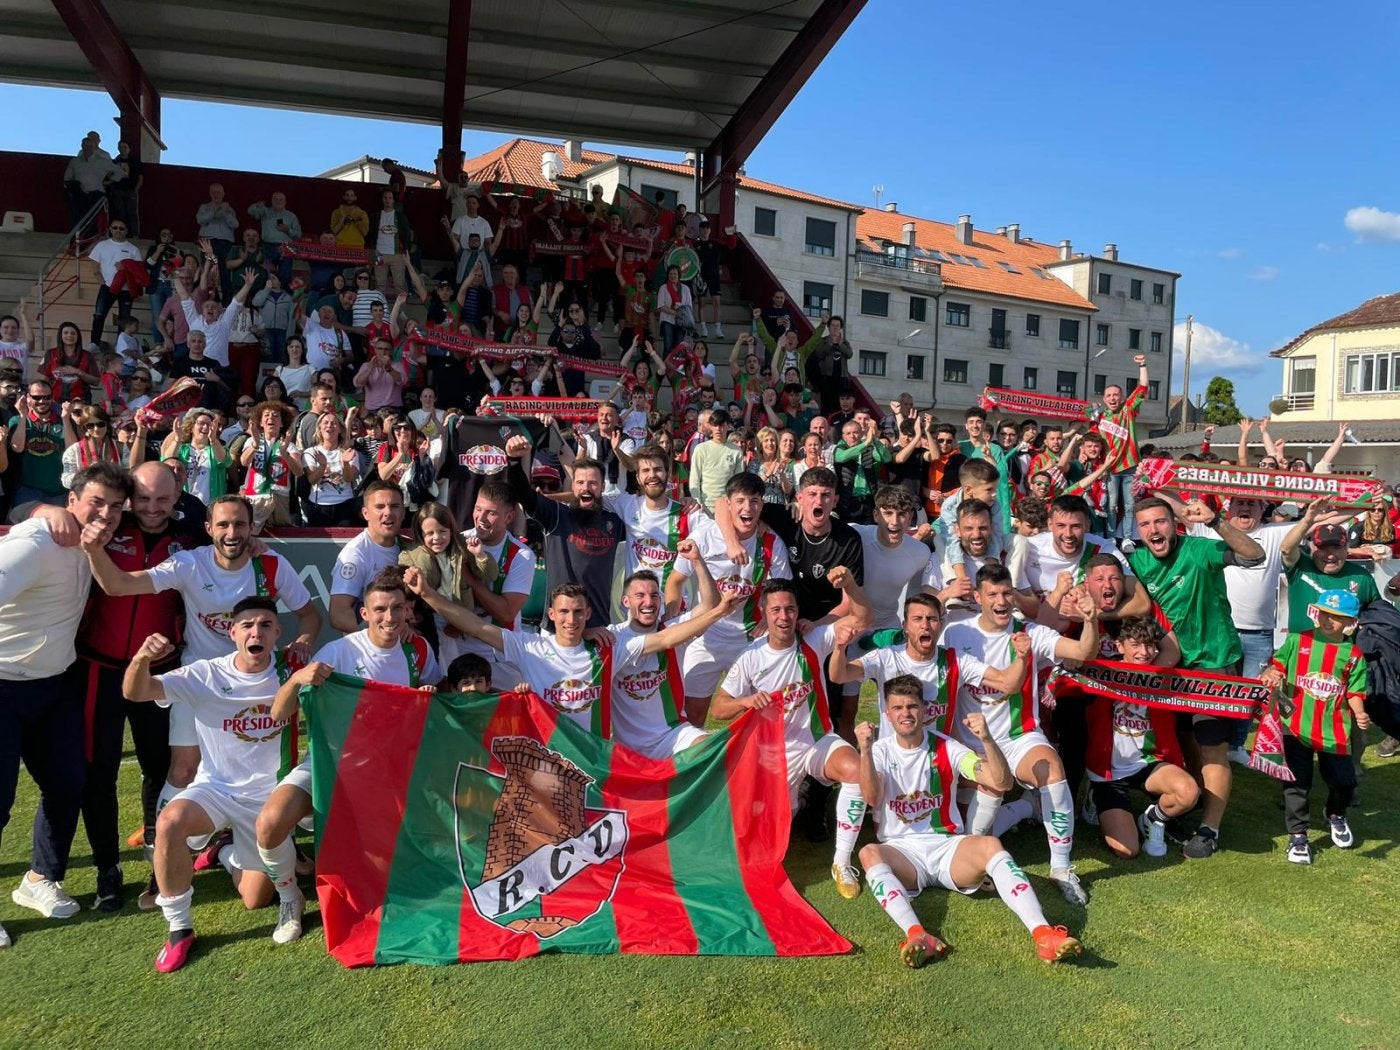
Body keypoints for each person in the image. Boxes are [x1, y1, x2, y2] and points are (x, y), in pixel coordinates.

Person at [82, 493, 320, 847]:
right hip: (202, 680)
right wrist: (91, 549)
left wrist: (302, 641)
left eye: (240, 524)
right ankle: (158, 856)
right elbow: (120, 586)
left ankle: (249, 842)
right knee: (183, 768)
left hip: (258, 682)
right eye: (223, 524)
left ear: (252, 527)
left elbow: (311, 615)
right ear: (208, 529)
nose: (232, 532)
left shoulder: (270, 565)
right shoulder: (190, 564)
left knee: (268, 772)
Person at [255, 569, 442, 945]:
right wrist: (296, 680)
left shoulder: (417, 649)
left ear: (408, 611)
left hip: (386, 772)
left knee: (387, 879)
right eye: (380, 609)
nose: (389, 618)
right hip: (328, 765)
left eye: (396, 609)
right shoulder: (339, 652)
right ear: (364, 614)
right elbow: (278, 714)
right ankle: (291, 898)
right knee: (270, 824)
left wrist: (430, 694)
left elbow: (436, 692)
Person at [856, 680, 1081, 967]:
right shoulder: (879, 751)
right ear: (887, 714)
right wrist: (864, 750)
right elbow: (872, 797)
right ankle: (917, 935)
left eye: (912, 706)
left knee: (990, 845)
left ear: (925, 710)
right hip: (903, 852)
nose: (906, 714)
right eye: (897, 708)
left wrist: (987, 738)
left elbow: (1001, 781)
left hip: (947, 848)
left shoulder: (946, 747)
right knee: (868, 853)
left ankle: (1044, 934)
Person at [121, 598, 291, 972]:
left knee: (255, 900)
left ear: (277, 633)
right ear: (232, 633)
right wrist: (141, 659)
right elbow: (136, 692)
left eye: (265, 625)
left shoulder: (290, 671)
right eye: (247, 625)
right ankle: (179, 929)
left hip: (267, 800)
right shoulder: (205, 674)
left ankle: (223, 852)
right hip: (214, 788)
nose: (255, 632)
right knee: (170, 822)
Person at [0, 463, 129, 947]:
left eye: (116, 506)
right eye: (97, 501)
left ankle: (38, 880)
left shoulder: (91, 541)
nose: (108, 514)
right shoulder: (35, 541)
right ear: (71, 498)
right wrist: (38, 511)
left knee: (67, 783)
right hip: (3, 683)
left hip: (54, 684)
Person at [940, 563, 1102, 904]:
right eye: (993, 594)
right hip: (968, 746)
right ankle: (1024, 810)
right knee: (968, 833)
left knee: (1052, 771)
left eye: (1006, 593)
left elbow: (1083, 653)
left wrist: (1090, 621)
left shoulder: (1032, 633)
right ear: (977, 597)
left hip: (1019, 740)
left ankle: (1060, 868)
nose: (1001, 601)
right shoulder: (955, 633)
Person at [407, 575, 733, 736]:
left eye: (578, 612)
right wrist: (427, 594)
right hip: (548, 755)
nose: (571, 619)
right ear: (551, 613)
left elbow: (664, 639)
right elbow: (476, 627)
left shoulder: (607, 650)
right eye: (563, 612)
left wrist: (717, 612)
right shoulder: (531, 647)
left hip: (595, 758)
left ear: (588, 613)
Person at [1128, 496, 1265, 859]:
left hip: (1213, 663)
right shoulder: (1136, 559)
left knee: (1211, 745)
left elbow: (1255, 556)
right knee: (1182, 740)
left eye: (1160, 522)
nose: (1153, 530)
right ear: (1137, 530)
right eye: (1145, 524)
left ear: (1174, 524)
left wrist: (1217, 520)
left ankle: (1210, 829)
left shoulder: (1200, 549)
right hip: (1169, 666)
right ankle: (1191, 803)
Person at [711, 575, 868, 878]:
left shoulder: (813, 639)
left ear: (797, 611)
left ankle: (842, 862)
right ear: (764, 613)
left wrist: (849, 584)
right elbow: (718, 708)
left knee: (856, 771)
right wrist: (744, 702)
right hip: (772, 756)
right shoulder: (751, 657)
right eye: (776, 610)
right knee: (758, 843)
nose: (784, 617)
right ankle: (797, 802)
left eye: (790, 609)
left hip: (816, 741)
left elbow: (863, 616)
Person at [667, 471, 792, 726]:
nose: (748, 508)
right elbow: (675, 580)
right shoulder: (704, 535)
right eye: (741, 501)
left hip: (748, 638)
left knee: (756, 713)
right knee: (693, 713)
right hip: (706, 636)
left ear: (762, 505)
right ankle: (693, 764)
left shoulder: (771, 542)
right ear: (729, 504)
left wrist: (769, 620)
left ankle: (749, 764)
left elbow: (782, 589)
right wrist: (672, 617)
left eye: (754, 501)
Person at [1260, 589, 1371, 864]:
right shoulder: (1299, 640)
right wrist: (1271, 673)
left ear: (1350, 622)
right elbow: (1276, 665)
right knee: (1297, 783)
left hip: (1335, 731)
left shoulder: (1354, 654)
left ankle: (1335, 813)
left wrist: (1359, 714)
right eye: (1324, 613)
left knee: (1344, 781)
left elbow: (1355, 691)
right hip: (1295, 725)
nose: (1328, 620)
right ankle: (1298, 836)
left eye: (1336, 616)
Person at [1082, 615, 1199, 859]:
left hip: (1149, 762)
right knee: (1127, 850)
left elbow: (1213, 691)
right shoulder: (1099, 672)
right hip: (1108, 773)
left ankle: (1153, 819)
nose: (1144, 652)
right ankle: (1094, 797)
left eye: (1149, 645)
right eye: (1135, 645)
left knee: (1188, 792)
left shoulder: (1164, 678)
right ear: (1119, 646)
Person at [608, 545, 726, 758]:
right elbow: (665, 641)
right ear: (625, 601)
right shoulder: (614, 639)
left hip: (671, 735)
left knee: (712, 751)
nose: (648, 602)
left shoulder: (674, 629)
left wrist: (697, 561)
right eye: (640, 596)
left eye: (654, 595)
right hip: (626, 747)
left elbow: (710, 605)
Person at [506, 438, 623, 629]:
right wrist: (513, 461)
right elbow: (523, 495)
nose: (586, 488)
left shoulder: (616, 522)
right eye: (580, 482)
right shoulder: (556, 515)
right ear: (573, 486)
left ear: (603, 487)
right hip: (556, 629)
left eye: (593, 483)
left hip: (598, 627)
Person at [328, 481, 408, 632]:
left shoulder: (408, 547)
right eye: (379, 507)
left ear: (403, 512)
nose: (388, 512)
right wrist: (381, 636)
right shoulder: (355, 554)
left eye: (395, 506)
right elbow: (338, 615)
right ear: (365, 513)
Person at [1096, 354, 1150, 541]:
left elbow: (1143, 388)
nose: (1112, 398)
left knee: (1129, 505)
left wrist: (1142, 365)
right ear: (1104, 399)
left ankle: (1126, 538)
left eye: (1115, 395)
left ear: (1122, 397)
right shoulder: (1099, 418)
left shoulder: (1129, 410)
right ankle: (1111, 537)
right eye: (1109, 396)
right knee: (1110, 505)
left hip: (1130, 466)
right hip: (1109, 469)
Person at [8, 380, 68, 511]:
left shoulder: (63, 420)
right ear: (28, 397)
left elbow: (72, 450)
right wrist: (23, 416)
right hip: (28, 491)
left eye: (47, 397)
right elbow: (16, 448)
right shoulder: (17, 420)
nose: (42, 401)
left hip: (58, 492)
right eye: (36, 397)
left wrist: (66, 419)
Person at [88, 219, 145, 348]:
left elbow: (139, 270)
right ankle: (94, 343)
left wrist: (126, 267)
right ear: (110, 229)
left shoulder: (133, 249)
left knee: (124, 319)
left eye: (121, 228)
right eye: (115, 228)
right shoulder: (102, 245)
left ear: (126, 231)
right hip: (107, 286)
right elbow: (95, 264)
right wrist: (101, 280)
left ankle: (121, 347)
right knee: (99, 315)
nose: (118, 230)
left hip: (126, 289)